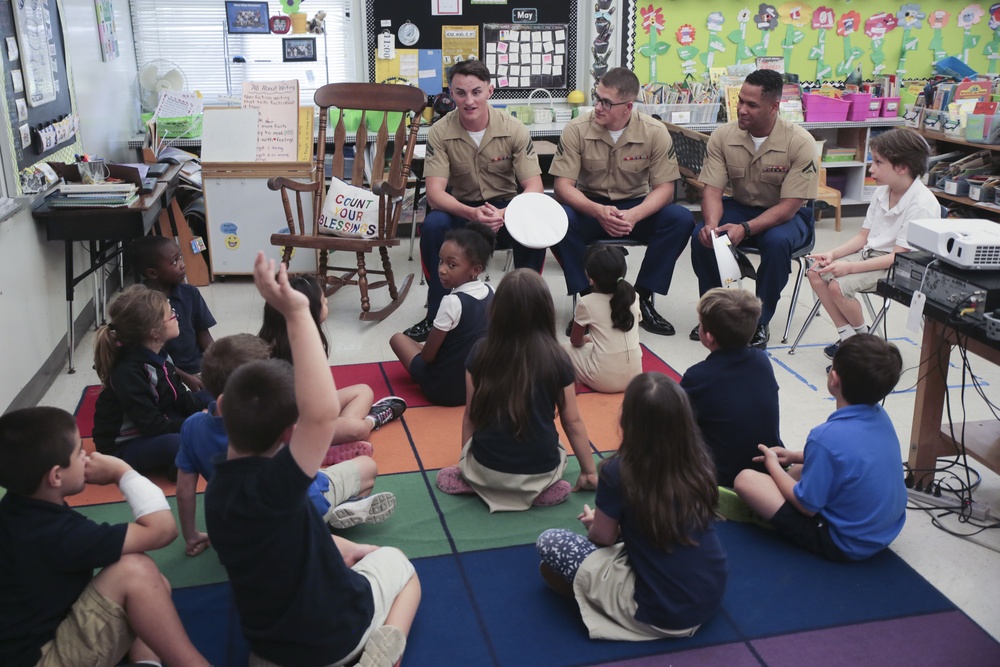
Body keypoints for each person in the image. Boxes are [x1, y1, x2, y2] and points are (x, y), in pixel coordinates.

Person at [205, 252, 421, 667]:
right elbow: (320, 414)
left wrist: (346, 550)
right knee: (401, 567)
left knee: (329, 548)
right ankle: (384, 652)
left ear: (219, 407)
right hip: (337, 637)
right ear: (291, 433)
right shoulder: (278, 487)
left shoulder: (217, 495)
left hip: (271, 647)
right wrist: (297, 310)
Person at [0, 406, 210, 667]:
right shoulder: (58, 534)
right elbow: (163, 530)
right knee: (136, 571)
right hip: (42, 659)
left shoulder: (17, 509)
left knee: (155, 586)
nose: (88, 456)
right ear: (56, 476)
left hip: (30, 640)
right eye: (79, 452)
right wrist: (123, 473)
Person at [536, 373, 727, 641]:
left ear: (630, 420)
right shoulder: (699, 463)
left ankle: (596, 595)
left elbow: (602, 537)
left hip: (658, 612)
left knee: (550, 541)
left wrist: (596, 523)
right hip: (708, 595)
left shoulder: (618, 470)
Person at [176, 334, 395, 557]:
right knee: (367, 467)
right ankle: (335, 516)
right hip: (303, 512)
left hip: (245, 530)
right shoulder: (276, 423)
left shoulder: (192, 427)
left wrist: (191, 535)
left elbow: (184, 490)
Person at [403, 59, 545, 343]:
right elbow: (435, 193)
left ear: (490, 91)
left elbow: (535, 187)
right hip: (463, 210)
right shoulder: (440, 132)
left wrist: (505, 213)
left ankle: (528, 314)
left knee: (535, 225)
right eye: (460, 93)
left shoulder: (515, 128)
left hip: (505, 209)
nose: (469, 101)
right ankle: (437, 314)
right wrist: (471, 213)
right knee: (433, 224)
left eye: (476, 92)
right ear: (450, 93)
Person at [435, 269, 599, 511]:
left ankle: (475, 482)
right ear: (545, 311)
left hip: (485, 470)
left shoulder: (480, 352)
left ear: (496, 310)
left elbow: (471, 414)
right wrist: (589, 472)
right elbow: (572, 422)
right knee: (556, 453)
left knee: (449, 473)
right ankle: (539, 489)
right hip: (540, 471)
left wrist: (464, 466)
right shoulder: (558, 357)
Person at [733, 334, 907, 561]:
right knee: (798, 470)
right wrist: (795, 456)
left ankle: (771, 514)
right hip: (885, 530)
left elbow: (807, 507)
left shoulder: (824, 437)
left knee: (746, 480)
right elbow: (846, 458)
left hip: (844, 542)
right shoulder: (880, 416)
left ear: (834, 379)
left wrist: (773, 465)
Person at [550, 66, 695, 336]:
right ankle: (586, 299)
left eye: (606, 102)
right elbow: (562, 187)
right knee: (559, 218)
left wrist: (636, 215)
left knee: (681, 219)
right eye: (597, 97)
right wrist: (597, 211)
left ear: (628, 106)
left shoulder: (654, 131)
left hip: (635, 207)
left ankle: (640, 298)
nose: (598, 107)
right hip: (590, 207)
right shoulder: (576, 129)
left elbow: (665, 189)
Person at [690, 68, 819, 349]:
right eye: (740, 101)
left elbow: (788, 207)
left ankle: (758, 322)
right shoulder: (723, 136)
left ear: (774, 107)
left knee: (775, 242)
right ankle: (714, 314)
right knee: (702, 236)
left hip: (786, 215)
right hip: (741, 207)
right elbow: (711, 189)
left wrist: (745, 229)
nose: (742, 110)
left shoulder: (800, 143)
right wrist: (712, 224)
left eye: (752, 104)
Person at [807, 127, 939, 359]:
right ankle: (851, 338)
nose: (871, 168)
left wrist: (848, 267)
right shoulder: (881, 193)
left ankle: (861, 346)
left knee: (839, 286)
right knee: (816, 272)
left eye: (878, 162)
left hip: (901, 267)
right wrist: (832, 254)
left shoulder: (922, 204)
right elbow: (862, 238)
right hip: (872, 256)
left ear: (901, 167)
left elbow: (899, 258)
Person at [258, 273, 407, 441]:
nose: (327, 301)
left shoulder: (275, 343)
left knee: (363, 391)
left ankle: (338, 438)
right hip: (293, 431)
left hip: (307, 415)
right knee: (357, 429)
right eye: (323, 301)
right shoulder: (303, 356)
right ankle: (371, 421)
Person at [92, 284, 208, 476]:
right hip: (123, 446)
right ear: (155, 332)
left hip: (155, 422)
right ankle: (178, 461)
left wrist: (209, 411)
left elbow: (179, 397)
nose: (176, 316)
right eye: (171, 314)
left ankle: (184, 455)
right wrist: (197, 422)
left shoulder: (160, 354)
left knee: (213, 398)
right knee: (177, 442)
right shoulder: (128, 372)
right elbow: (152, 425)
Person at [681, 288, 782, 487]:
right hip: (768, 468)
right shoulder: (762, 361)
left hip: (722, 480)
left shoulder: (698, 376)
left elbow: (672, 426)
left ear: (708, 337)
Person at [390, 222, 496, 406]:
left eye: (452, 265)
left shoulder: (452, 302)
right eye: (441, 261)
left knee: (398, 339)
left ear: (475, 270)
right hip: (479, 388)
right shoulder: (491, 291)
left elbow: (428, 357)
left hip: (444, 390)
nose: (442, 269)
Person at [131, 235, 216, 394]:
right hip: (160, 373)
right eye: (174, 261)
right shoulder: (142, 304)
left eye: (181, 258)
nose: (182, 265)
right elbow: (147, 355)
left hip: (197, 368)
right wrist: (184, 377)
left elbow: (203, 333)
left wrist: (218, 361)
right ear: (152, 273)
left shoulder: (190, 293)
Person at [565, 244, 643, 393]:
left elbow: (575, 341)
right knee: (593, 345)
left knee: (565, 349)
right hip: (636, 377)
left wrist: (585, 340)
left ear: (590, 279)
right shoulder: (634, 296)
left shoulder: (586, 303)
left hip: (604, 381)